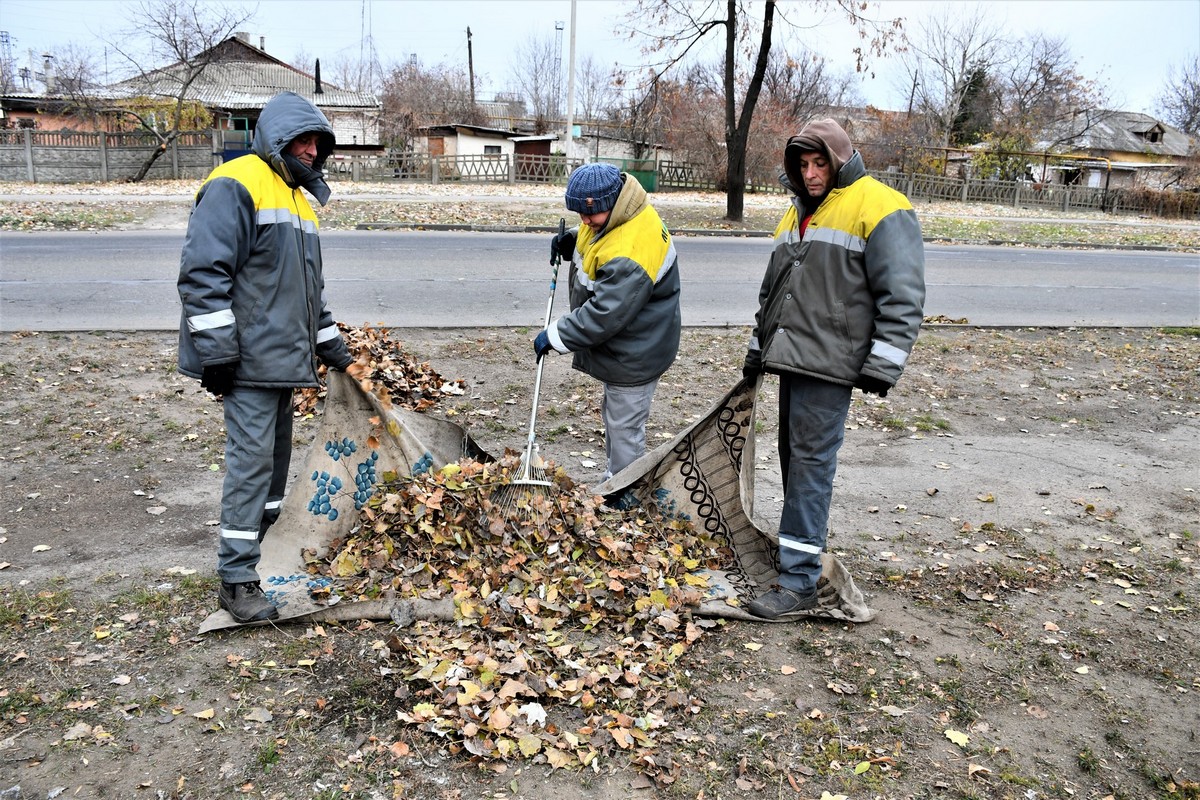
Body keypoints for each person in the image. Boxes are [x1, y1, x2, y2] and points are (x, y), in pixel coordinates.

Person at [177, 91, 362, 624]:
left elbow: (309, 294)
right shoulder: (237, 182)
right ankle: (235, 579)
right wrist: (217, 353)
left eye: (317, 142)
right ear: (276, 139)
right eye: (301, 140)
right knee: (252, 466)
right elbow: (203, 274)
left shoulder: (300, 200)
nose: (310, 150)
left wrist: (333, 349)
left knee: (275, 469)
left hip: (280, 360)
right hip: (246, 361)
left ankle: (256, 557)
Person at [742, 118, 925, 620]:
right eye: (802, 164)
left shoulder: (880, 205)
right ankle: (799, 559)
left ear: (841, 159)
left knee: (809, 467)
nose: (811, 173)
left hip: (829, 365)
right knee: (795, 464)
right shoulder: (797, 213)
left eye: (819, 162)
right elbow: (773, 292)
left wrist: (883, 364)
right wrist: (760, 347)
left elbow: (903, 294)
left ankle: (799, 583)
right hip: (794, 360)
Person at [534, 162, 682, 487]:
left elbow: (604, 313)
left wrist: (556, 335)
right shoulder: (618, 213)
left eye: (589, 215)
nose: (584, 221)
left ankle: (625, 494)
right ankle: (616, 478)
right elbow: (597, 237)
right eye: (579, 216)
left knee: (625, 426)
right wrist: (572, 240)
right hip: (629, 344)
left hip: (637, 352)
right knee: (617, 418)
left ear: (610, 204)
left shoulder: (631, 250)